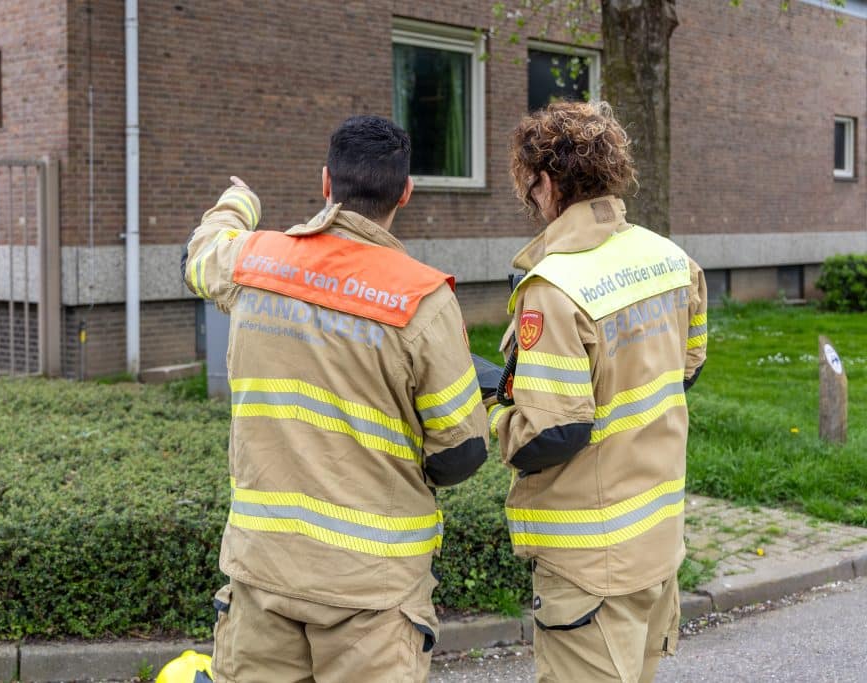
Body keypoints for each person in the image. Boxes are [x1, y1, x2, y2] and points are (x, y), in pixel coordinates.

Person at [182, 115, 489, 682]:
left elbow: (198, 256)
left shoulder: (255, 262)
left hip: (263, 574)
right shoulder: (422, 299)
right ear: (405, 192)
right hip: (372, 591)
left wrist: (238, 203)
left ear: (326, 182)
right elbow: (461, 452)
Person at [487, 101, 708, 683]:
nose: (530, 200)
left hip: (589, 564)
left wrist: (494, 414)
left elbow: (553, 432)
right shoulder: (673, 260)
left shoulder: (555, 287)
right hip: (657, 545)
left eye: (529, 186)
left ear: (547, 182)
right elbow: (687, 367)